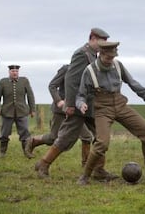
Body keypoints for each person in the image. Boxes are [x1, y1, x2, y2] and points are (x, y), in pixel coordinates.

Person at [76, 41, 145, 185]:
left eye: (113, 57)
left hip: (120, 104)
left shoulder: (118, 65)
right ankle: (85, 176)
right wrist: (81, 104)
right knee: (102, 143)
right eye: (108, 58)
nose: (110, 61)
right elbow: (81, 94)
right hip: (102, 109)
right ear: (100, 54)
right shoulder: (90, 71)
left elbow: (132, 82)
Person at [34, 28, 115, 181]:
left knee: (101, 135)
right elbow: (71, 80)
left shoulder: (93, 55)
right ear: (92, 38)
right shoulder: (81, 54)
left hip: (90, 106)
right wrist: (70, 104)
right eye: (102, 41)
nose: (104, 45)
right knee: (65, 138)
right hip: (78, 106)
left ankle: (99, 170)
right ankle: (43, 164)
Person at [24, 63, 94, 166]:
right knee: (53, 138)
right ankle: (33, 141)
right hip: (61, 110)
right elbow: (52, 85)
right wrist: (59, 101)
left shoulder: (89, 71)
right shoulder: (66, 69)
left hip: (77, 112)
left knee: (87, 137)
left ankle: (86, 164)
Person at [0, 65, 35, 158]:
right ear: (9, 72)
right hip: (7, 112)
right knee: (4, 133)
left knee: (25, 133)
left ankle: (27, 152)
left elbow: (30, 95)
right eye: (13, 71)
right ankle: (2, 152)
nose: (15, 73)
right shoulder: (3, 82)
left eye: (16, 71)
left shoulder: (24, 81)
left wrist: (32, 109)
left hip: (22, 111)